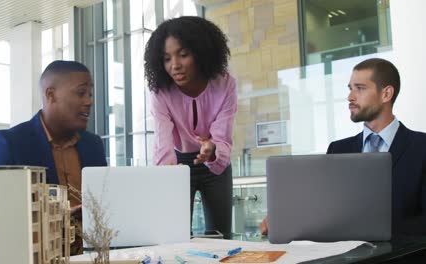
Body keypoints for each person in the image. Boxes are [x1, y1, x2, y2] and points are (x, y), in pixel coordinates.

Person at [260, 58, 426, 237]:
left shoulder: (421, 147)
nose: (350, 97)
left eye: (360, 88)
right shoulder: (338, 150)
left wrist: (371, 229)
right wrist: (287, 218)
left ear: (386, 94)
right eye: (350, 88)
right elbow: (323, 209)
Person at [0, 60, 107, 254]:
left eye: (90, 94)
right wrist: (53, 220)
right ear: (50, 95)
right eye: (81, 93)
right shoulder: (9, 144)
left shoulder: (93, 145)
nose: (89, 101)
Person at [144, 16, 237, 239]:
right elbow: (163, 143)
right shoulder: (160, 92)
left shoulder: (225, 84)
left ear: (201, 52)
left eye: (183, 55)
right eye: (166, 59)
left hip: (216, 164)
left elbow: (222, 135)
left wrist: (212, 148)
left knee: (220, 236)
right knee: (174, 235)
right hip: (177, 163)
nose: (174, 65)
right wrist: (167, 176)